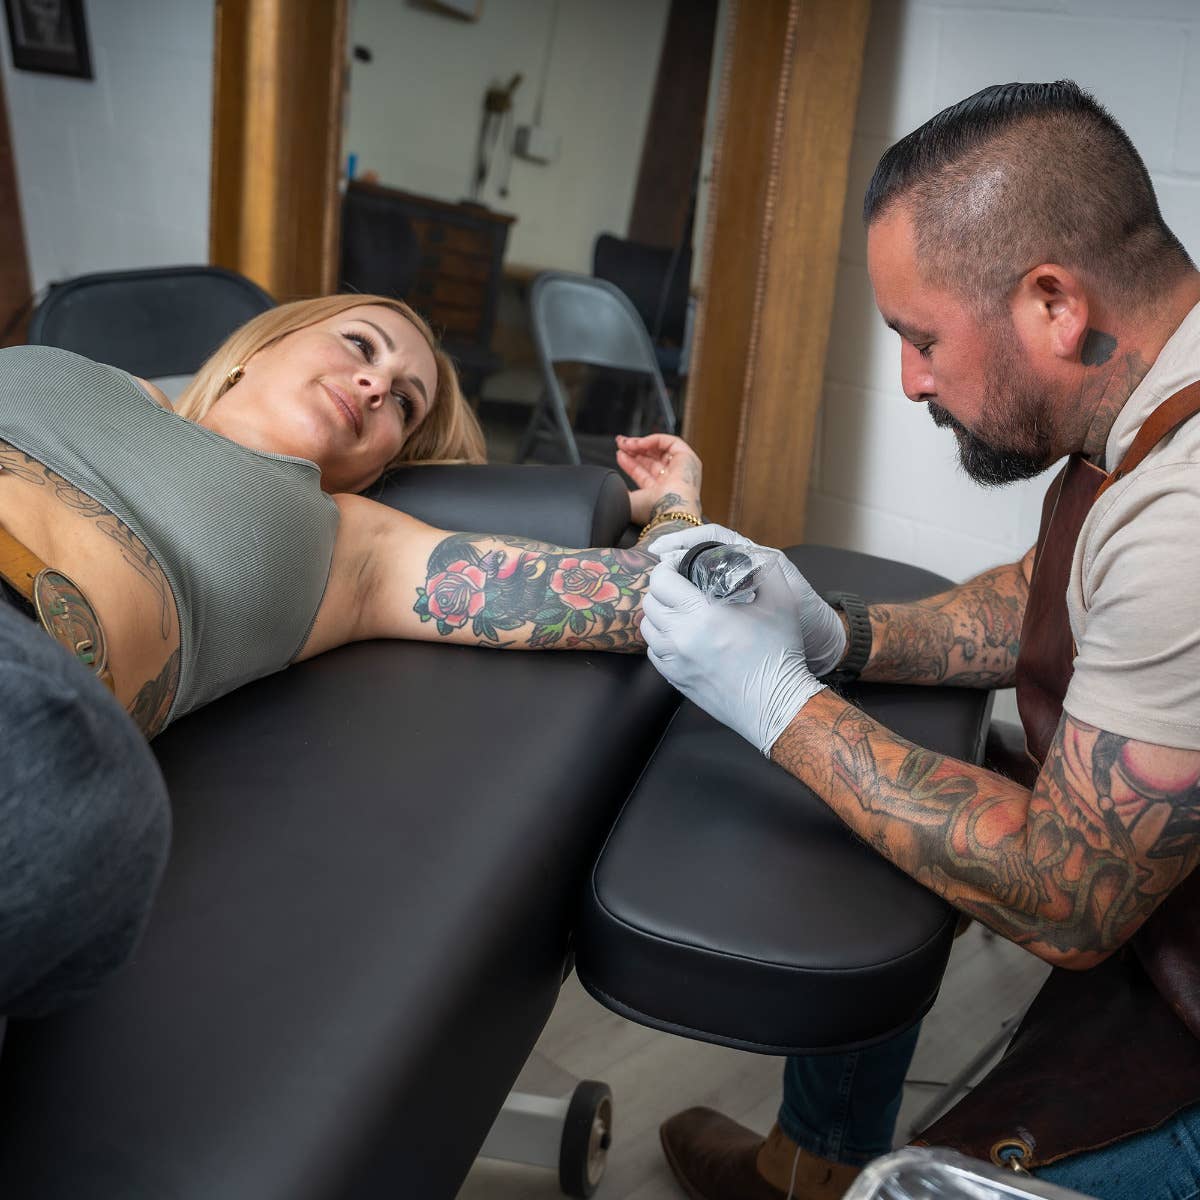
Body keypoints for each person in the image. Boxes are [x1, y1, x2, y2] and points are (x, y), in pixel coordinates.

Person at [641, 81, 1200, 1200]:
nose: (909, 382)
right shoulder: (1148, 387)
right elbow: (1046, 592)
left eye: (923, 338)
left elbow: (1068, 896)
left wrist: (775, 701)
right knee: (880, 799)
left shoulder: (1192, 511)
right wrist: (832, 632)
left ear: (1053, 301)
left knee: (918, 1189)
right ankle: (805, 1163)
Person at [0, 291, 701, 1017]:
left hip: (27, 673)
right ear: (259, 345)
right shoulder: (79, 375)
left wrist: (677, 498)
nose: (375, 386)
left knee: (83, 805)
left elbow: (646, 598)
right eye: (361, 346)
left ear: (379, 465)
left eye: (405, 403)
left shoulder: (348, 543)